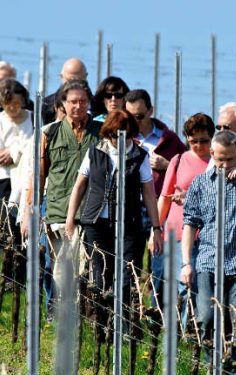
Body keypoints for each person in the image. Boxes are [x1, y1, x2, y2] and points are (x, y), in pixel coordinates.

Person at [181, 130, 236, 359]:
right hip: (208, 260)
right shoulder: (200, 183)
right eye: (220, 159)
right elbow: (189, 223)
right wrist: (186, 263)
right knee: (207, 317)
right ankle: (212, 367)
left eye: (230, 159)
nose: (225, 164)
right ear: (212, 154)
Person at [65, 109, 163, 309]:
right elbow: (79, 185)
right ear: (107, 133)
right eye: (113, 135)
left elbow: (149, 195)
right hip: (95, 222)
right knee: (101, 271)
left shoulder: (139, 156)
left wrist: (156, 228)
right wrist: (70, 219)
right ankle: (102, 323)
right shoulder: (95, 150)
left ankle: (124, 322)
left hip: (129, 223)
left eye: (124, 135)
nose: (118, 139)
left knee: (127, 272)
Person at [24, 79, 101, 318]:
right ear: (63, 104)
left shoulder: (101, 133)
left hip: (91, 212)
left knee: (83, 266)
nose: (78, 106)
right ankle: (56, 308)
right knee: (56, 264)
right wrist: (30, 213)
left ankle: (74, 312)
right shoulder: (50, 133)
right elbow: (38, 176)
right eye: (73, 101)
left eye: (83, 101)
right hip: (57, 208)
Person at [125, 89, 186, 312]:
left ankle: (156, 313)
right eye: (130, 116)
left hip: (160, 209)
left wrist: (166, 165)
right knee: (129, 261)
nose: (135, 122)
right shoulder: (122, 138)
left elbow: (188, 173)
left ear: (150, 111)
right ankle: (130, 309)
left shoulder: (170, 141)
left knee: (158, 264)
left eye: (139, 116)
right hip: (129, 207)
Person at [155, 113, 214, 325]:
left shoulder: (217, 164)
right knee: (183, 283)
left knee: (201, 285)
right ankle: (182, 329)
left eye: (204, 140)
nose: (199, 145)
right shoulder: (179, 160)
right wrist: (156, 229)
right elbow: (165, 197)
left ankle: (196, 329)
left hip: (206, 234)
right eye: (193, 140)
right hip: (178, 231)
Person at [0, 78, 34, 247]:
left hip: (29, 177)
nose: (12, 108)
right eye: (8, 104)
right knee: (8, 220)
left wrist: (14, 151)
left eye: (16, 103)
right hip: (3, 178)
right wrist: (23, 148)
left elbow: (36, 148)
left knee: (27, 221)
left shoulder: (34, 118)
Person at [42, 58, 88, 124]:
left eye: (78, 81)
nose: (73, 85)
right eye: (69, 80)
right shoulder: (47, 103)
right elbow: (40, 131)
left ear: (85, 77)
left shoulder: (96, 104)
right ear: (61, 77)